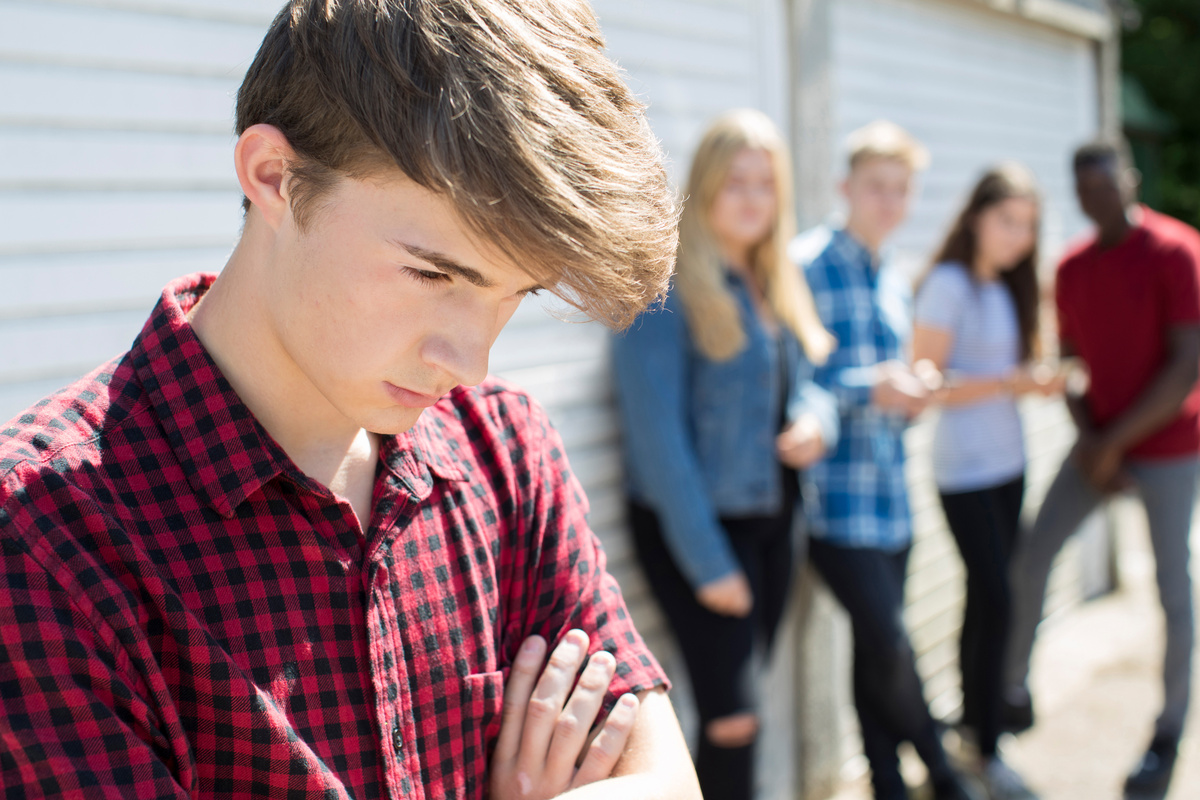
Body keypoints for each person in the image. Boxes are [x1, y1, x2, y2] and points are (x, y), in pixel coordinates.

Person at [0, 1, 703, 798]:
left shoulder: (504, 449)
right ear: (275, 177)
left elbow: (662, 782)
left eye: (516, 294)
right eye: (435, 273)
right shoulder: (43, 534)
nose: (469, 362)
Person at [612, 109, 838, 800]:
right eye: (735, 180)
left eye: (765, 183)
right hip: (704, 528)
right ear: (705, 186)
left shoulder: (775, 280)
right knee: (733, 717)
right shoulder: (666, 291)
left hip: (776, 519)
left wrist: (815, 419)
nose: (751, 196)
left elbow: (813, 381)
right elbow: (656, 441)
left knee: (736, 708)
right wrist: (708, 562)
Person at [1003, 141, 1200, 799]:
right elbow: (1071, 365)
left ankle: (1168, 732)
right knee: (1033, 555)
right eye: (1084, 189)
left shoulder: (1176, 251)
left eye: (1107, 183)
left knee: (1174, 586)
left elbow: (1184, 366)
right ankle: (1010, 693)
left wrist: (1113, 442)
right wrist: (1093, 440)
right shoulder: (1074, 267)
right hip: (1099, 443)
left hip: (1168, 442)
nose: (1097, 197)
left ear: (1130, 180)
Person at [792, 120, 978, 800]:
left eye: (901, 190)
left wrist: (914, 391)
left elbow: (895, 376)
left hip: (892, 498)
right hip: (832, 503)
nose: (889, 202)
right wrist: (872, 385)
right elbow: (794, 380)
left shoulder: (895, 276)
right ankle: (948, 775)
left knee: (876, 655)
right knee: (893, 644)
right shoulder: (806, 263)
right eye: (877, 187)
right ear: (846, 187)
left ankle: (887, 784)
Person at [913, 164, 1065, 800]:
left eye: (1028, 227)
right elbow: (927, 382)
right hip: (964, 473)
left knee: (988, 598)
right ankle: (987, 741)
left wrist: (1038, 376)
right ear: (976, 217)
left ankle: (974, 726)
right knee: (999, 597)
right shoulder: (945, 285)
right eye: (1008, 222)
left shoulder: (1007, 286)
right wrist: (1010, 382)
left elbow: (1013, 368)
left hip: (1009, 463)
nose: (1019, 238)